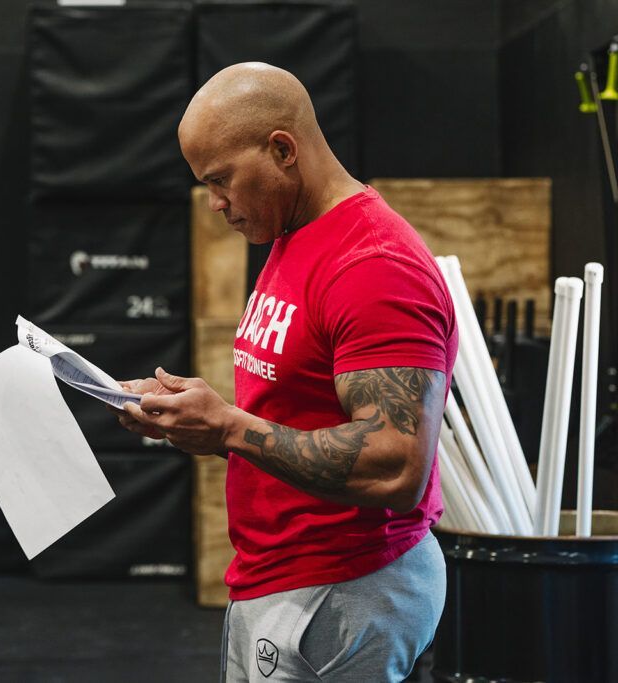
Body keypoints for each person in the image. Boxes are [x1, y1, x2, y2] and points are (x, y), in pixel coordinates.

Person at [114, 63, 458, 681]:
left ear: (282, 150)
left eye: (221, 180)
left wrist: (228, 428)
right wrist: (201, 422)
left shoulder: (373, 265)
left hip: (348, 585)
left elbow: (395, 463)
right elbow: (293, 411)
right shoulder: (294, 234)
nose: (215, 203)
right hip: (282, 578)